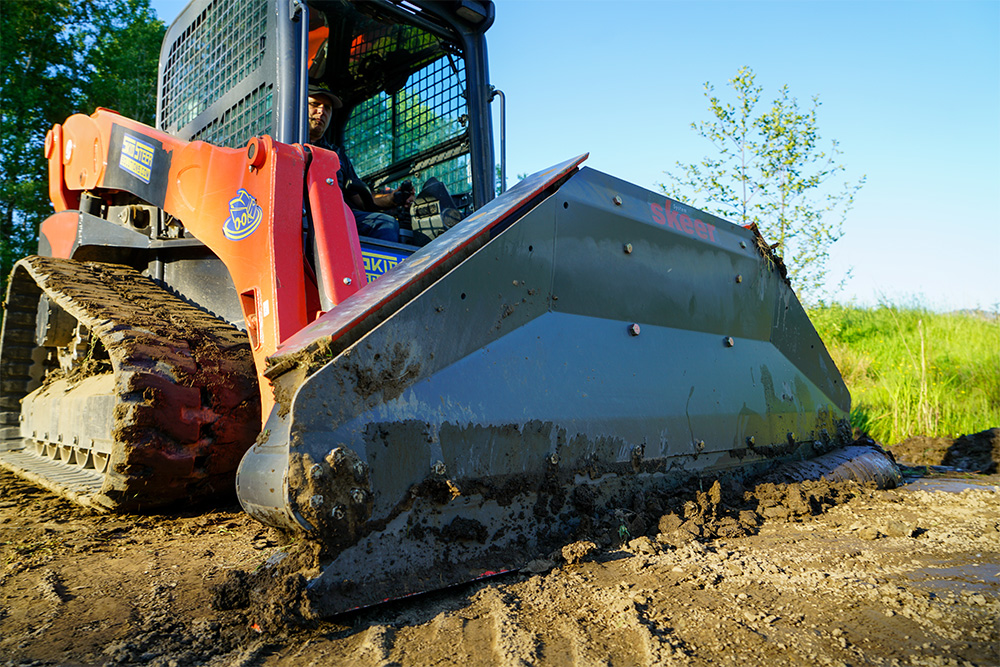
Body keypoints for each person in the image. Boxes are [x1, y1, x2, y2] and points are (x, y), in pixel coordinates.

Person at [307, 83, 409, 242]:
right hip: (301, 215)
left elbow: (360, 199)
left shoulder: (336, 154)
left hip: (335, 217)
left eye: (327, 108)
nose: (321, 111)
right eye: (314, 104)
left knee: (385, 224)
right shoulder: (286, 145)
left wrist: (392, 198)